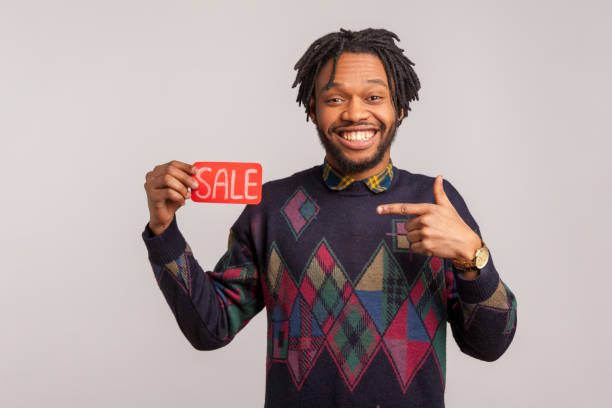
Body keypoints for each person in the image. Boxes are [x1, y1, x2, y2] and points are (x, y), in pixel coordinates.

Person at [142, 28, 517, 408]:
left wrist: (474, 257)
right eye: (335, 98)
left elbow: (490, 344)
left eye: (374, 97)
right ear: (311, 108)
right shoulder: (271, 207)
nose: (355, 113)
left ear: (399, 107)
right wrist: (164, 231)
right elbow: (211, 327)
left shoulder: (436, 203)